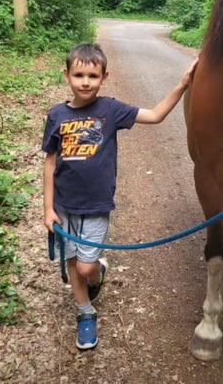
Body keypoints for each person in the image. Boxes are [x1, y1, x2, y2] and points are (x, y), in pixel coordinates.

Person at [42, 43, 197, 350]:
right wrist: (47, 208)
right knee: (73, 263)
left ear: (104, 77)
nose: (85, 82)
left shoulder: (110, 110)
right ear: (67, 76)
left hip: (96, 207)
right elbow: (49, 162)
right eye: (79, 75)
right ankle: (85, 312)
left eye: (92, 75)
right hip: (63, 207)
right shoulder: (56, 115)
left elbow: (154, 115)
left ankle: (98, 273)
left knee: (87, 268)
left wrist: (182, 85)